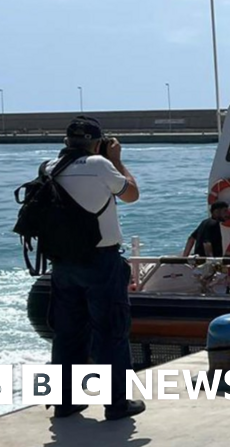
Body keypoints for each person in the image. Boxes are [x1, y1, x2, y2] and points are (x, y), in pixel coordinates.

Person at [46, 116, 144, 420]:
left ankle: (66, 402)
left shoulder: (49, 168)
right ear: (96, 142)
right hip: (101, 262)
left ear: (66, 142)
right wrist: (114, 159)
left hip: (63, 264)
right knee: (111, 331)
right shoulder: (101, 166)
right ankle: (117, 404)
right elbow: (131, 195)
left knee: (67, 335)